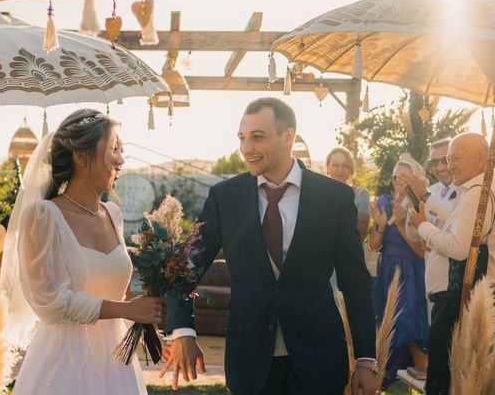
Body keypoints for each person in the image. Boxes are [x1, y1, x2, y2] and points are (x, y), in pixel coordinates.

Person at [161, 98, 378, 395]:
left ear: (288, 137)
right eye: (242, 137)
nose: (246, 148)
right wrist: (183, 330)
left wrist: (366, 359)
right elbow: (186, 267)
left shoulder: (335, 198)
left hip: (319, 360)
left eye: (257, 137)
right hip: (250, 361)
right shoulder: (225, 198)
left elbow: (355, 282)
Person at [1, 109, 161, 395]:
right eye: (113, 150)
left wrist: (144, 323)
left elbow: (116, 291)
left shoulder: (113, 214)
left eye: (121, 150)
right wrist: (126, 309)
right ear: (82, 157)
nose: (121, 160)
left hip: (116, 362)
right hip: (64, 364)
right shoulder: (43, 215)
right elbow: (50, 301)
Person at [409, 133, 495, 395]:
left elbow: (460, 248)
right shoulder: (474, 191)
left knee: (444, 381)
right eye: (448, 159)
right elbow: (460, 229)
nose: (449, 166)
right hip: (454, 298)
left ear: (482, 159)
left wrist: (422, 226)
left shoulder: (480, 192)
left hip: (460, 300)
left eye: (456, 159)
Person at [368, 158, 428, 388]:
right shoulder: (384, 201)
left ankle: (420, 380)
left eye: (405, 177)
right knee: (385, 331)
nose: (399, 181)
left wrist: (402, 223)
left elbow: (421, 252)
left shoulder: (421, 205)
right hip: (386, 274)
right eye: (396, 177)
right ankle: (385, 382)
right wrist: (380, 226)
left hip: (411, 274)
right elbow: (373, 246)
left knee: (410, 327)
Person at [326, 147, 371, 239]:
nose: (340, 170)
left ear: (351, 169)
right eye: (335, 165)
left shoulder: (361, 194)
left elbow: (361, 234)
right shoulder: (319, 194)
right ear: (327, 167)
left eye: (345, 165)